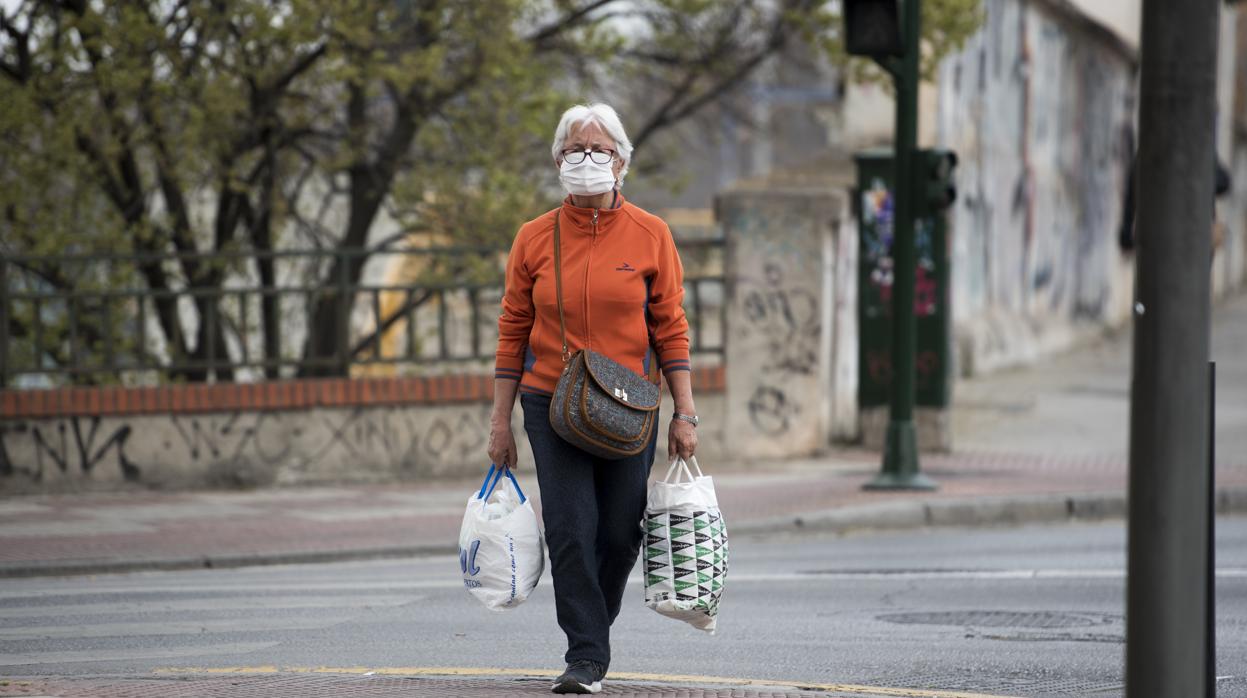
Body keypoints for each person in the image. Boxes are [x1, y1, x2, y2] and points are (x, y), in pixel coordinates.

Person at [487, 102, 699, 695]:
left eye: (599, 149)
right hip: (550, 404)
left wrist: (684, 412)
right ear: (558, 161)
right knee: (571, 530)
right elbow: (512, 331)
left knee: (618, 534)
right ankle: (585, 656)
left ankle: (591, 633)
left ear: (622, 162)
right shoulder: (533, 238)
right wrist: (499, 423)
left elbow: (671, 328)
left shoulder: (652, 234)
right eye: (575, 149)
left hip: (631, 407)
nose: (587, 159)